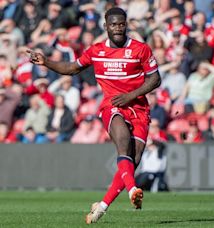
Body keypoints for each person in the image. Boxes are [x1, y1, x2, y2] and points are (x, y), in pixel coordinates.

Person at [27, 7, 161, 224]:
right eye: (113, 24)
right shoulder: (96, 50)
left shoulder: (140, 49)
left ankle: (101, 207)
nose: (118, 28)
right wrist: (46, 62)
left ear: (126, 25)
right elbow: (72, 68)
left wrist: (131, 96)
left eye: (121, 24)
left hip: (139, 108)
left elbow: (155, 79)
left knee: (133, 159)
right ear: (105, 26)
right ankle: (132, 190)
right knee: (123, 142)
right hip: (112, 105)